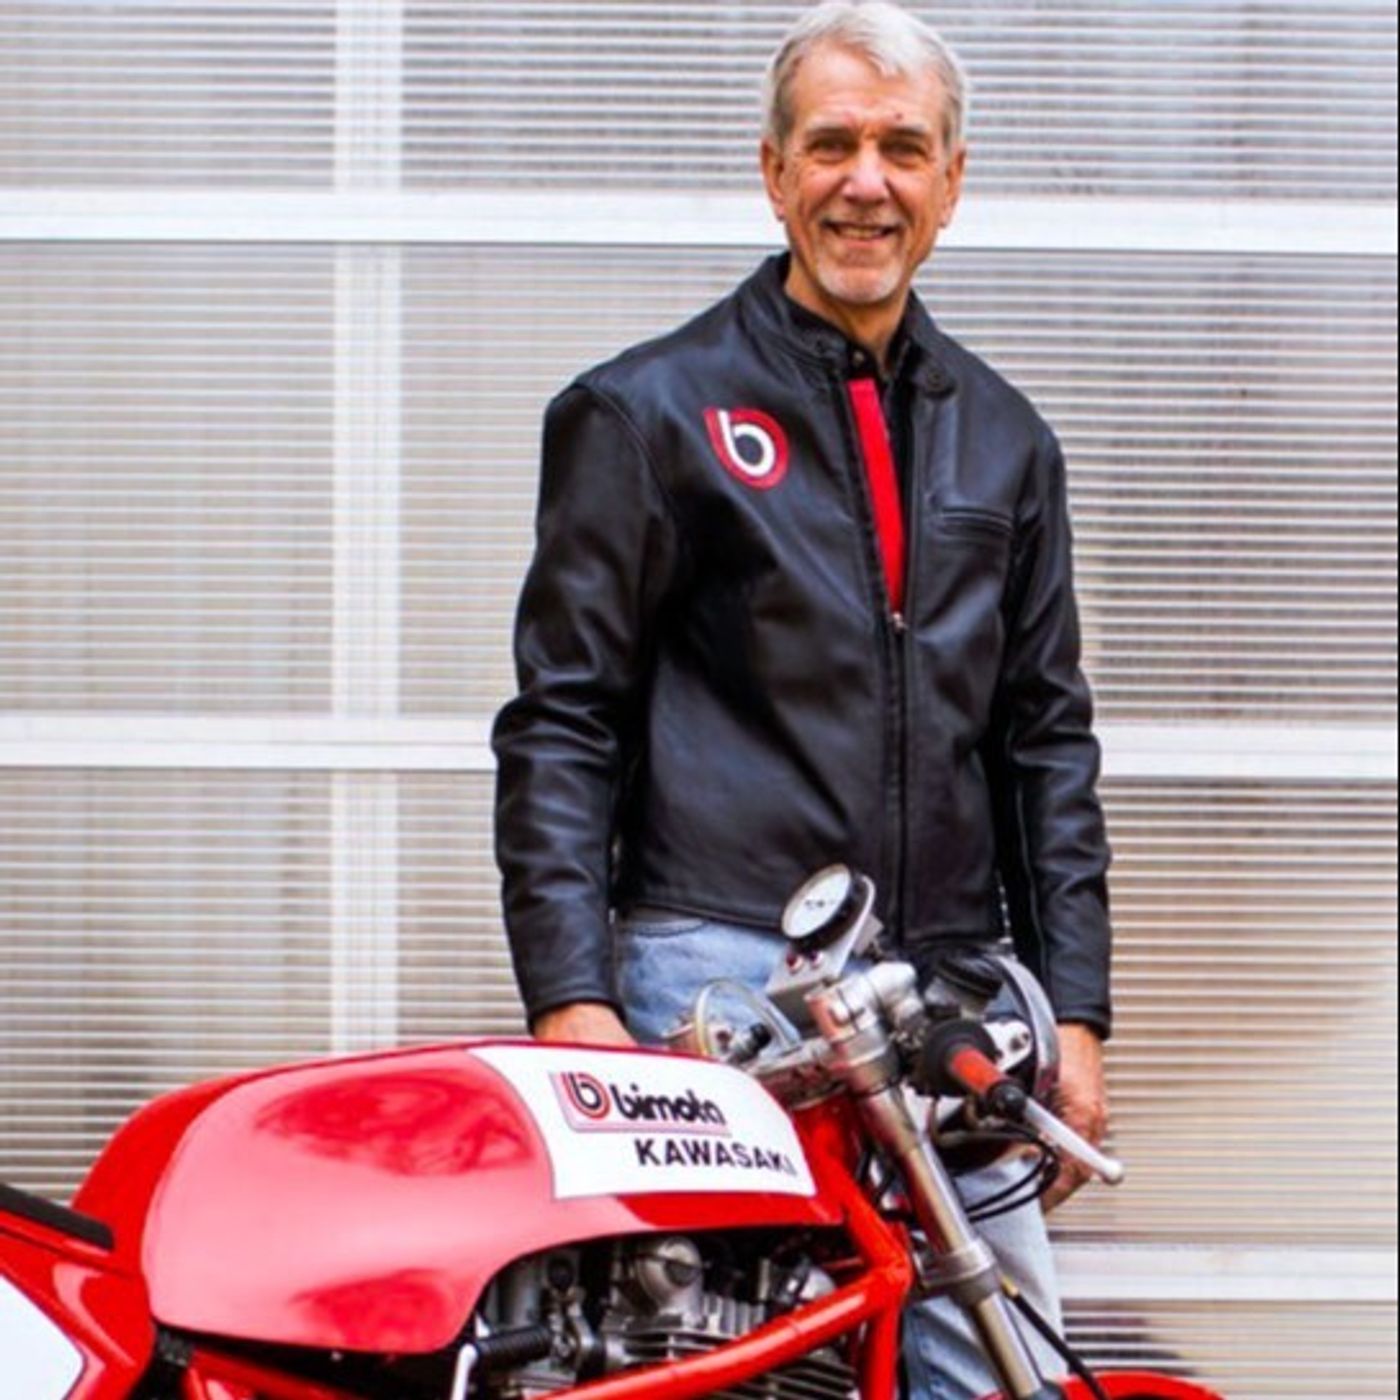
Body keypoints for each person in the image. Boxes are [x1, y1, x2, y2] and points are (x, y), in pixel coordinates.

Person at [493, 3, 1112, 1394]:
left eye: (903, 148)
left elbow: (1045, 743)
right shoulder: (645, 413)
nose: (865, 183)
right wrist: (572, 998)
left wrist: (1073, 1009)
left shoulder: (1008, 441)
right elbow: (564, 720)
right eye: (831, 145)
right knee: (725, 1364)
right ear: (774, 173)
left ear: (951, 180)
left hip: (940, 999)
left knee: (994, 1362)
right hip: (714, 986)